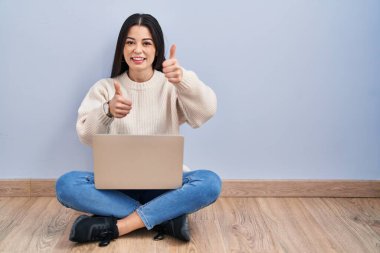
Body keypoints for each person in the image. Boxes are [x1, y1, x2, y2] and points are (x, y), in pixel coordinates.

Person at [55, 13, 221, 247]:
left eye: (146, 43)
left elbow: (205, 112)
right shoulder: (105, 88)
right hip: (116, 189)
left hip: (164, 187)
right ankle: (164, 218)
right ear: (122, 48)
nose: (137, 50)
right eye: (130, 42)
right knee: (66, 185)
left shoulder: (171, 86)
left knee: (211, 182)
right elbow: (85, 136)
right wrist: (107, 111)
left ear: (156, 49)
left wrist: (183, 79)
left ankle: (120, 225)